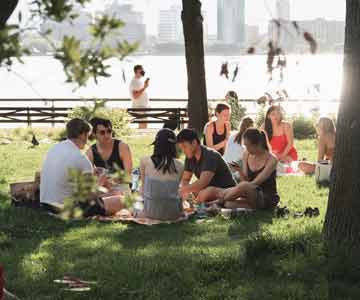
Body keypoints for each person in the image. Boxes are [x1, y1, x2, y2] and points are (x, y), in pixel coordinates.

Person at [202, 128, 280, 210]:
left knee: (242, 186)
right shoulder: (247, 154)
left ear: (258, 144)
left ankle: (217, 202)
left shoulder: (272, 160)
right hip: (250, 196)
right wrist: (239, 170)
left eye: (248, 145)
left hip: (266, 197)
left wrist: (236, 191)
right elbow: (245, 181)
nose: (246, 149)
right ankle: (251, 210)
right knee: (229, 204)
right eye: (245, 145)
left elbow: (254, 184)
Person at [177, 129, 236, 203]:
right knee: (195, 191)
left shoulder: (210, 155)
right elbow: (185, 179)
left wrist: (181, 190)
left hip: (227, 190)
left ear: (194, 143)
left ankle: (203, 205)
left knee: (206, 192)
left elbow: (202, 183)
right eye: (181, 148)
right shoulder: (190, 157)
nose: (183, 150)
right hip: (210, 190)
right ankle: (209, 204)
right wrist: (183, 193)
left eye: (184, 146)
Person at [139, 129, 184, 220]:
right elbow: (175, 190)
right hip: (173, 213)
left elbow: (143, 189)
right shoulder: (180, 165)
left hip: (150, 212)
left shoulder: (144, 161)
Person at [129, 64, 150, 129]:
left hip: (142, 107)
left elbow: (140, 93)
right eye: (141, 70)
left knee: (144, 125)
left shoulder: (138, 80)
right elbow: (135, 96)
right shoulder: (134, 81)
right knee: (143, 126)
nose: (143, 71)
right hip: (139, 108)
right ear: (137, 71)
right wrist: (144, 87)